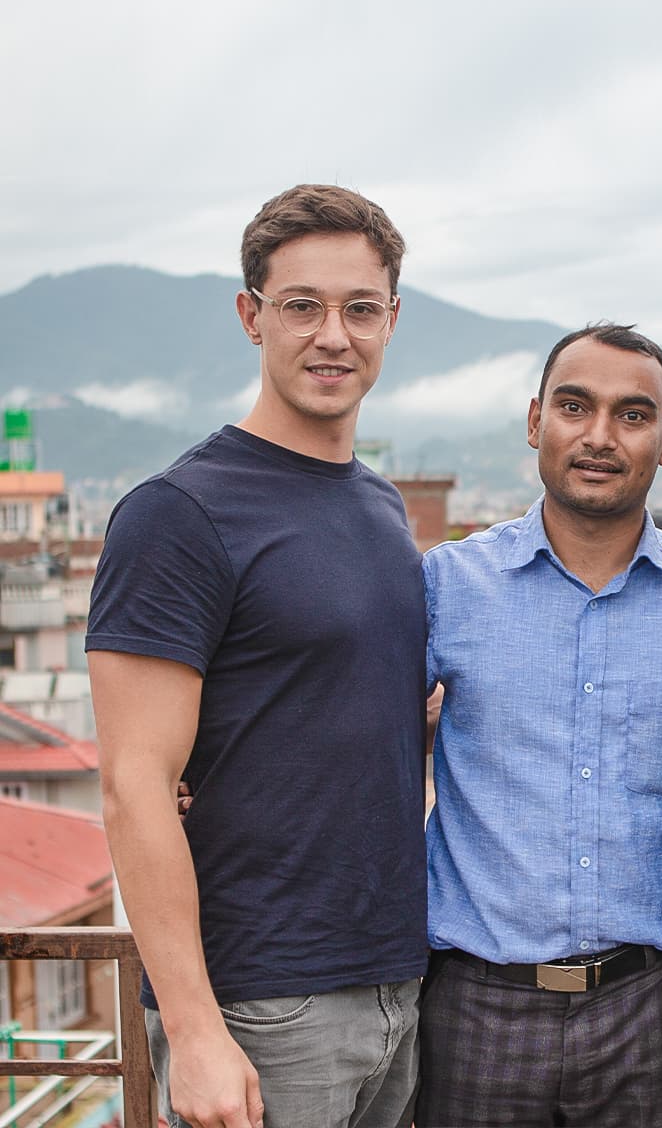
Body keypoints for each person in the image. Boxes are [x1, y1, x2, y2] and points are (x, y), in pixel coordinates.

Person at [87, 185, 427, 1128]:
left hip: (400, 982)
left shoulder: (381, 510)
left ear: (392, 320)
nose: (334, 335)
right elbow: (133, 782)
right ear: (251, 317)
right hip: (260, 1006)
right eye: (302, 306)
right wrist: (195, 1031)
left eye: (360, 308)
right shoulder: (179, 514)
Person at [415, 323, 662, 1128]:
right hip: (476, 1003)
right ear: (535, 423)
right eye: (573, 406)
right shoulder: (449, 586)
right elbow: (357, 731)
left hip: (645, 1007)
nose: (599, 436)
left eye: (632, 416)